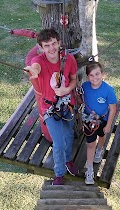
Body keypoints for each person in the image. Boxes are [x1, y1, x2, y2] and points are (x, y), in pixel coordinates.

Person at [24, 28, 79, 185]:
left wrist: (67, 89)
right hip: (49, 108)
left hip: (67, 105)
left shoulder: (68, 59)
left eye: (54, 43)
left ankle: (68, 160)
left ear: (59, 43)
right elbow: (35, 69)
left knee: (68, 135)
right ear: (41, 47)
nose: (51, 48)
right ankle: (59, 173)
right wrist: (32, 71)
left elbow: (73, 79)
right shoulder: (39, 61)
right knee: (59, 143)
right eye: (47, 45)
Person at [81, 62, 117, 185]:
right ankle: (90, 169)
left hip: (102, 120)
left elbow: (113, 108)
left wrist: (108, 125)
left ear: (102, 74)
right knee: (90, 144)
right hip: (89, 121)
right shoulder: (85, 87)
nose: (94, 78)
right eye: (91, 75)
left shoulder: (108, 90)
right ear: (87, 77)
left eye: (97, 74)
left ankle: (100, 149)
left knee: (102, 136)